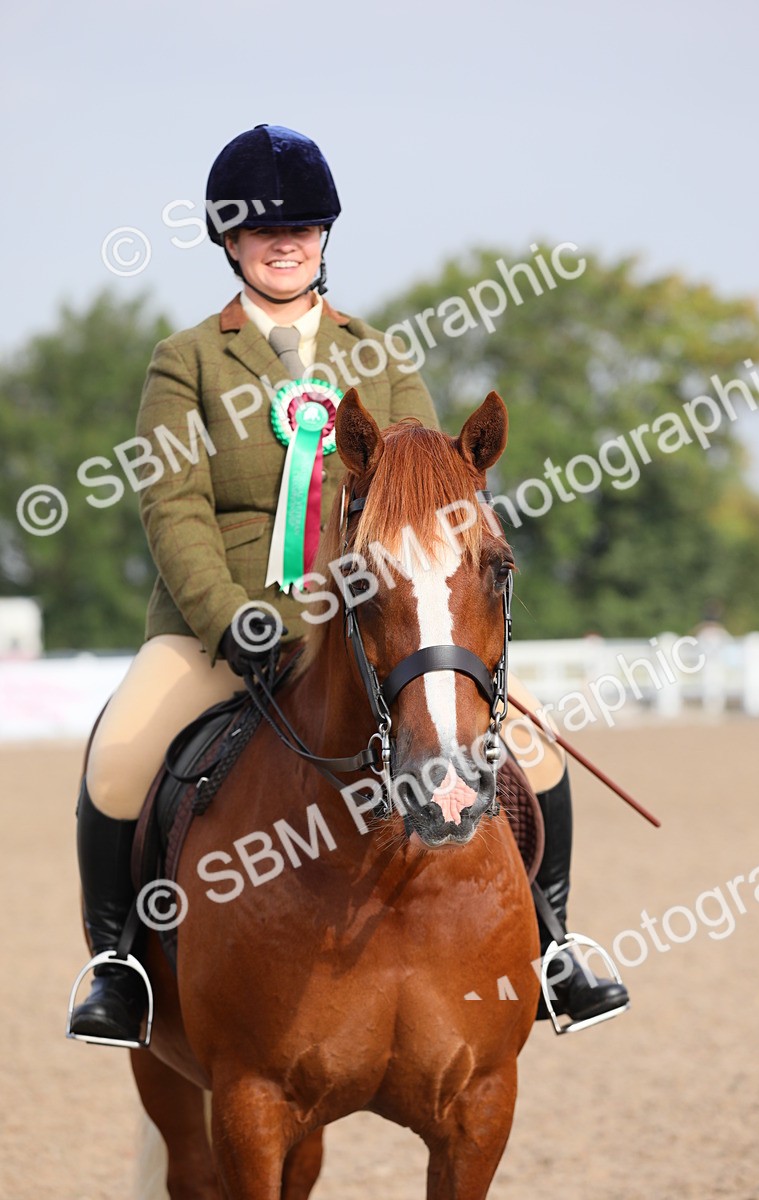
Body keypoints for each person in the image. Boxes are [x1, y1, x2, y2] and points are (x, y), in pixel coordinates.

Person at [67, 123, 627, 1045]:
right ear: (230, 241)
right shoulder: (189, 361)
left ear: (325, 237)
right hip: (229, 627)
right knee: (121, 753)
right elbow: (175, 509)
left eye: (305, 227)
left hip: (372, 622)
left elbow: (434, 498)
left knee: (536, 748)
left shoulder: (383, 354)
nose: (285, 243)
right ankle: (118, 966)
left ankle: (555, 944)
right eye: (262, 231)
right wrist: (225, 619)